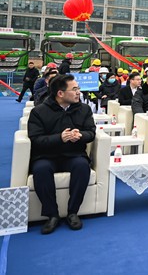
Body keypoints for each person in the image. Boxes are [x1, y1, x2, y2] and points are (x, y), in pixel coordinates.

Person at [27, 74, 96, 234]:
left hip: (73, 154)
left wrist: (81, 135)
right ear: (60, 93)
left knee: (82, 166)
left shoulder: (84, 109)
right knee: (41, 170)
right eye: (74, 89)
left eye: (78, 88)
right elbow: (36, 139)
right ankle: (52, 214)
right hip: (46, 155)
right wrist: (59, 138)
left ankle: (73, 212)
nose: (78, 92)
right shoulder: (39, 111)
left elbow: (91, 132)